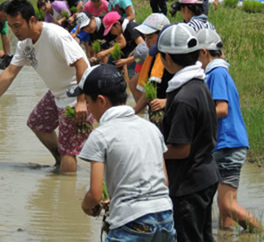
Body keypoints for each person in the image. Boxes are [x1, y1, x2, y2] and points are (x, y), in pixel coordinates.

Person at [0, 0, 93, 173]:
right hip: (57, 92)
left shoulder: (55, 35)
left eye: (18, 25)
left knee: (69, 152)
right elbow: (9, 73)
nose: (14, 31)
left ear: (32, 20)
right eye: (11, 26)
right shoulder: (24, 44)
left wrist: (81, 101)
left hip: (78, 93)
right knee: (37, 123)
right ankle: (60, 163)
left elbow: (81, 65)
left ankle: (66, 186)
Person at [68, 64, 176, 241]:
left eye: (88, 102)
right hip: (165, 216)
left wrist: (86, 205)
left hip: (131, 223)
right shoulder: (151, 129)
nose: (88, 109)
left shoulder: (101, 135)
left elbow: (95, 194)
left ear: (101, 101)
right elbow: (164, 181)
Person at [197, 29, 263, 233]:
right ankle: (227, 236)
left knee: (227, 205)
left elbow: (222, 108)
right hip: (230, 143)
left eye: (196, 55)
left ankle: (259, 233)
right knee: (225, 205)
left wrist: (196, 117)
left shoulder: (216, 73)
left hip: (228, 143)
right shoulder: (219, 71)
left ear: (204, 52)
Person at [157, 23, 219, 242]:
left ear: (167, 57)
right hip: (204, 175)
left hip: (189, 182)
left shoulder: (184, 97)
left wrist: (152, 151)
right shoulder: (198, 85)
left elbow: (181, 149)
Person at [133, 14, 172, 126]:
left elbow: (187, 91)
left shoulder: (172, 60)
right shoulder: (153, 56)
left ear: (163, 36)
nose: (146, 42)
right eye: (145, 38)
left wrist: (167, 101)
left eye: (150, 38)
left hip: (170, 114)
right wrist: (133, 112)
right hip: (156, 114)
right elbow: (149, 90)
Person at [102, 11, 144, 85]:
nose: (112, 33)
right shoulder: (123, 30)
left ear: (118, 24)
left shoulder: (131, 29)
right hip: (136, 54)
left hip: (147, 55)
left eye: (111, 30)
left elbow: (144, 50)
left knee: (133, 81)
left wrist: (126, 61)